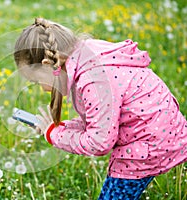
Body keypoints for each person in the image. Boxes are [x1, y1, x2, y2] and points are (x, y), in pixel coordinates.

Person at [13, 18, 187, 200]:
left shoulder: (94, 80)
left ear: (47, 64)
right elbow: (101, 120)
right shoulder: (87, 56)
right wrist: (60, 128)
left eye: (36, 80)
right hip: (160, 128)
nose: (42, 88)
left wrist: (54, 135)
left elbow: (99, 142)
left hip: (147, 143)